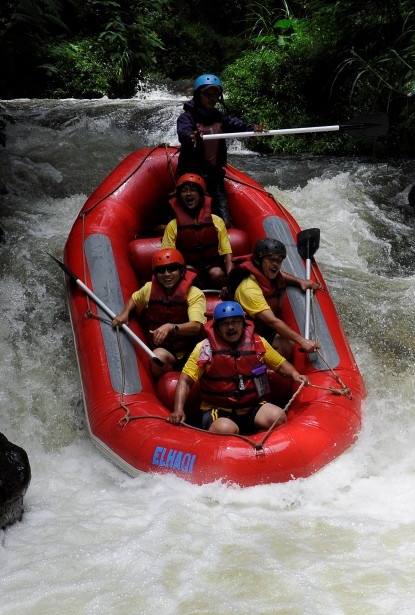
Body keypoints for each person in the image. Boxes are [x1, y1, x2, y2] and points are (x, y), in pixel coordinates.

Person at [167, 301, 306, 435]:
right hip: (218, 409)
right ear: (217, 327)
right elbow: (185, 380)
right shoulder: (204, 348)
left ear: (243, 324)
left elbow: (280, 364)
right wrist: (178, 409)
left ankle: (258, 443)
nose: (231, 327)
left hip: (252, 406)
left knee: (278, 416)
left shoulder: (258, 342)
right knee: (225, 429)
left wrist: (295, 374)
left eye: (235, 322)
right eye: (225, 324)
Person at [176, 73, 267, 225]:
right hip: (191, 175)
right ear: (199, 95)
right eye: (207, 94)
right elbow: (183, 133)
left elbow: (237, 123)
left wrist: (251, 128)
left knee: (224, 219)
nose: (212, 98)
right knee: (189, 219)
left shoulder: (220, 116)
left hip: (214, 174)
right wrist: (191, 136)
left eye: (215, 94)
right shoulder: (187, 117)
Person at [111, 248, 206, 379]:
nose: (166, 274)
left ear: (182, 270)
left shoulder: (194, 293)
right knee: (157, 357)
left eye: (172, 269)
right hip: (165, 350)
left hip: (190, 350)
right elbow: (134, 299)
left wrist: (170, 327)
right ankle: (165, 382)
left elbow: (196, 327)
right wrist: (125, 313)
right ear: (155, 274)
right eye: (161, 270)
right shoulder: (149, 289)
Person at [229, 237, 322, 359]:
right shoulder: (249, 289)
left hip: (262, 329)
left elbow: (280, 275)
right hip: (243, 334)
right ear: (259, 261)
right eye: (271, 260)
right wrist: (302, 341)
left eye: (279, 260)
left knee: (285, 345)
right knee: (285, 343)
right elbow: (272, 321)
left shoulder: (266, 272)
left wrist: (300, 282)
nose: (275, 264)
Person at [161, 173, 232, 290]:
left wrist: (231, 277)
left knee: (217, 273)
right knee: (189, 272)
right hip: (187, 269)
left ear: (201, 195)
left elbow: (227, 254)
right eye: (184, 190)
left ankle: (224, 294)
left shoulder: (217, 221)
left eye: (193, 190)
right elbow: (167, 257)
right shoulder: (172, 226)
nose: (188, 193)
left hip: (212, 268)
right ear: (179, 197)